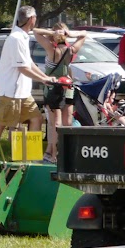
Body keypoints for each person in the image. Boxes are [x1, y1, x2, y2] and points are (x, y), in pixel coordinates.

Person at [0, 7, 57, 156]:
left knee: (36, 119)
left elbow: (29, 63)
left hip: (23, 92)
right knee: (3, 124)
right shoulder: (16, 38)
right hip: (11, 92)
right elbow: (22, 68)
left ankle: (30, 157)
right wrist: (43, 79)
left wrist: (45, 77)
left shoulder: (23, 37)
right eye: (35, 17)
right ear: (31, 19)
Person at [37, 25, 87, 160]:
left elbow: (36, 31)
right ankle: (65, 153)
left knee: (55, 124)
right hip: (68, 87)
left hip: (54, 88)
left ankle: (54, 155)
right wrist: (70, 33)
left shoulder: (52, 50)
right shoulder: (70, 50)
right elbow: (84, 34)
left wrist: (52, 32)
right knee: (67, 123)